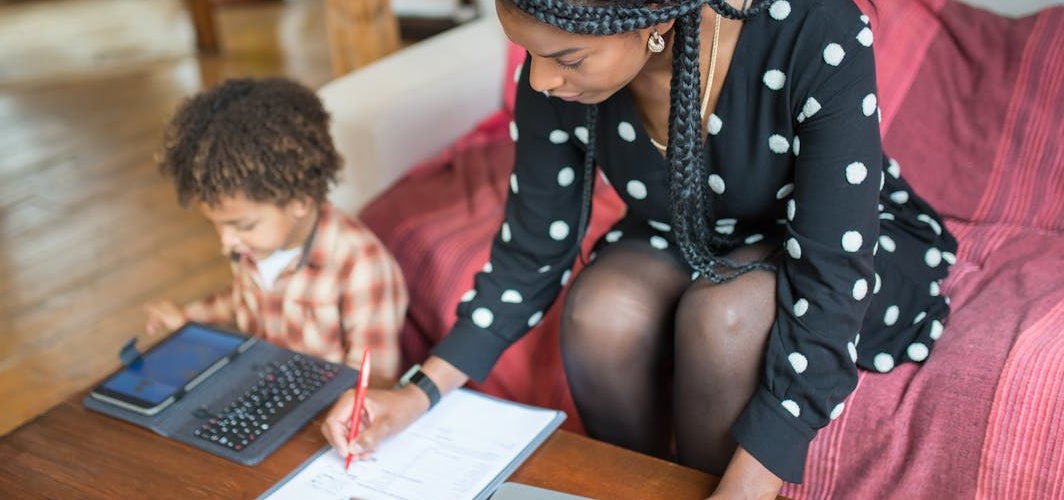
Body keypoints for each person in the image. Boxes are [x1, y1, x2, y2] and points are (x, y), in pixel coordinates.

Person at [322, 0, 957, 496]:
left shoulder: (817, 29)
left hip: (832, 247)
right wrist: (417, 392)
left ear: (650, 25)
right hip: (678, 232)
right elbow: (531, 248)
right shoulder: (554, 68)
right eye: (527, 55)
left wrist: (754, 480)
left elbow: (832, 273)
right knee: (603, 312)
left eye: (567, 59)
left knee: (724, 319)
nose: (541, 80)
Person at [146, 77, 408, 381]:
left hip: (325, 411)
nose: (226, 243)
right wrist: (187, 321)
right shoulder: (257, 244)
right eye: (216, 226)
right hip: (260, 386)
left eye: (242, 225)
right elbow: (243, 299)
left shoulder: (362, 267)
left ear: (299, 200)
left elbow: (372, 380)